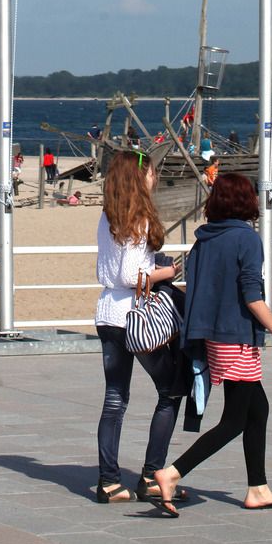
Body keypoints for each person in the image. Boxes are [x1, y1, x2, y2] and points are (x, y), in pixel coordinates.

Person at [152, 173, 272, 516]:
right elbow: (253, 297)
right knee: (234, 420)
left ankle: (258, 488)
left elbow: (196, 287)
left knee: (257, 409)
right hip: (236, 338)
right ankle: (172, 473)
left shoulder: (204, 239)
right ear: (247, 201)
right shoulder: (246, 240)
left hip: (213, 337)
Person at [94, 150, 183, 504]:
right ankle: (151, 474)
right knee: (171, 391)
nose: (155, 178)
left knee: (115, 399)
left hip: (107, 313)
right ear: (140, 177)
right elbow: (134, 277)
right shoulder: (140, 219)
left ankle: (109, 481)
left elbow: (109, 270)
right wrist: (168, 271)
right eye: (152, 173)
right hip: (135, 316)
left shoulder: (107, 217)